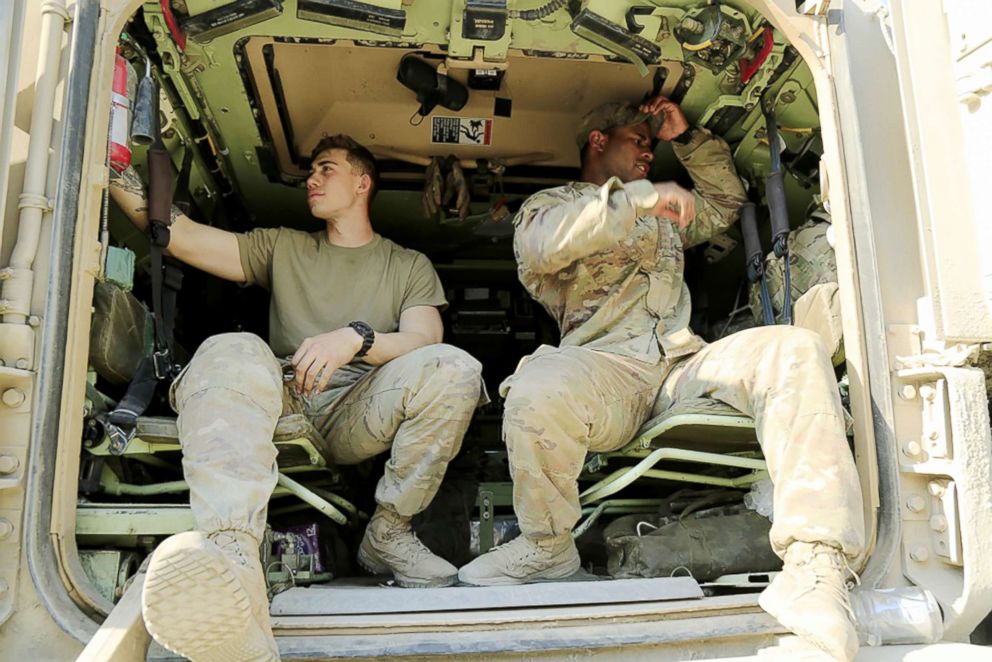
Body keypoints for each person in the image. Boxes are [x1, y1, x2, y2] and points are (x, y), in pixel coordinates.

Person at [457, 98, 866, 661]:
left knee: (793, 348)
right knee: (538, 384)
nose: (649, 149)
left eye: (653, 141)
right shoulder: (555, 205)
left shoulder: (663, 207)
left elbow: (723, 205)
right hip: (603, 371)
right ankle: (547, 546)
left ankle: (816, 565)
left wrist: (687, 137)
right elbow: (543, 248)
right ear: (598, 141)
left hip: (679, 365)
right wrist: (639, 199)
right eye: (637, 138)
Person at [109, 134, 486, 661]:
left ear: (362, 183)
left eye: (326, 169)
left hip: (360, 404)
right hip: (284, 398)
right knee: (230, 348)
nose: (312, 178)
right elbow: (180, 236)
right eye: (310, 170)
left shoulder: (406, 265)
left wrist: (357, 337)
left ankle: (389, 533)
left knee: (454, 368)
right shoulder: (284, 245)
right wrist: (112, 165)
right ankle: (234, 563)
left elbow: (426, 340)